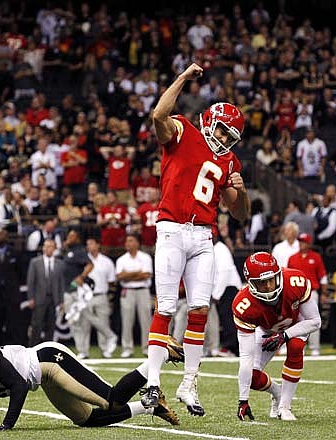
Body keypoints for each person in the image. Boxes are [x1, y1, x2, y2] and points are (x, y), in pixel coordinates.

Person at [141, 63, 250, 416]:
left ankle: (189, 383)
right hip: (172, 228)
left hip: (204, 236)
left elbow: (239, 213)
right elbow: (159, 113)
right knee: (168, 306)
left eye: (230, 136)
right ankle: (154, 384)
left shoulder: (229, 160)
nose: (223, 139)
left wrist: (241, 191)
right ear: (209, 120)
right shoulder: (184, 130)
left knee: (200, 308)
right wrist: (183, 79)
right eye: (222, 130)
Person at [0, 340, 183, 431]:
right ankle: (150, 405)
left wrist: (8, 424)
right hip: (42, 379)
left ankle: (159, 354)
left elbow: (19, 386)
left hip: (48, 361)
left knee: (112, 399)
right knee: (87, 419)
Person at [233, 252, 321, 422]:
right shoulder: (244, 304)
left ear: (278, 275)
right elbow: (246, 356)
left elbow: (315, 321)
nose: (268, 286)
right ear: (251, 284)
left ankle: (285, 407)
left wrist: (285, 335)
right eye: (261, 283)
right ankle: (277, 393)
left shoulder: (295, 281)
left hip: (296, 325)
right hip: (267, 331)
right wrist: (243, 399)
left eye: (271, 280)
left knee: (295, 346)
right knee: (251, 376)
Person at [74, 238, 118, 358]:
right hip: (85, 296)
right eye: (87, 244)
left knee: (103, 323)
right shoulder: (81, 260)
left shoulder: (107, 261)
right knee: (84, 323)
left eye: (91, 243)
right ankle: (83, 351)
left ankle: (105, 349)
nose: (89, 246)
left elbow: (111, 281)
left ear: (98, 245)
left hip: (101, 295)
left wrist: (108, 296)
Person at [287, 233, 327, 356]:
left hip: (311, 292)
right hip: (295, 294)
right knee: (296, 321)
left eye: (304, 242)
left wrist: (324, 293)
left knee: (314, 320)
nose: (301, 244)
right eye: (300, 241)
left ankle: (315, 347)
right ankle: (297, 347)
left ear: (309, 243)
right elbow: (287, 277)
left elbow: (322, 276)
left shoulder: (316, 257)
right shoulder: (292, 258)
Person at [0, 229, 26, 346]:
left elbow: (20, 273)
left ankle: (14, 348)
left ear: (7, 237)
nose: (0, 236)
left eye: (3, 234)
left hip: (12, 294)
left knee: (13, 323)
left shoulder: (15, 252)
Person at [116, 234, 153, 358]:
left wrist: (128, 275)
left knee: (146, 320)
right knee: (127, 320)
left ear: (137, 243)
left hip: (143, 290)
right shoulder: (121, 259)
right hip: (127, 290)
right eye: (126, 241)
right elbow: (120, 277)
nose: (127, 243)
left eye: (131, 241)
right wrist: (138, 273)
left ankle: (147, 347)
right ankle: (127, 348)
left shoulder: (145, 257)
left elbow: (146, 275)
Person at [26, 239, 65, 346]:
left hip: (54, 299)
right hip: (39, 299)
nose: (48, 248)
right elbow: (31, 281)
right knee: (36, 326)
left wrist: (61, 301)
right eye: (46, 246)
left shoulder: (59, 264)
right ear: (43, 248)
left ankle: (48, 351)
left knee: (51, 326)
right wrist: (31, 298)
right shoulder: (35, 262)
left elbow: (61, 283)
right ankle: (32, 350)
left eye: (50, 246)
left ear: (54, 248)